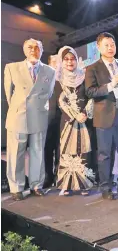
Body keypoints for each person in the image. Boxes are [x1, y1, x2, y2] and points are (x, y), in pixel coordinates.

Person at [85, 32, 118, 200]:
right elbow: (90, 91)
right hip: (104, 116)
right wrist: (109, 86)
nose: (110, 48)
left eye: (112, 44)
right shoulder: (92, 68)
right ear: (99, 47)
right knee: (105, 154)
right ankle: (106, 187)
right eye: (106, 45)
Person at [4, 38, 56, 201]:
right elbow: (8, 93)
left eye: (37, 47)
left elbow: (48, 93)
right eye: (30, 47)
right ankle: (16, 187)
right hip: (18, 115)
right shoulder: (12, 68)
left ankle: (36, 185)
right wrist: (19, 106)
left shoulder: (50, 71)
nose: (33, 50)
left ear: (41, 50)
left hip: (39, 116)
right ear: (24, 50)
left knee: (38, 153)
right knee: (15, 154)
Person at [56, 46, 95, 196]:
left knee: (84, 150)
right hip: (67, 121)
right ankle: (66, 185)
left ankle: (84, 184)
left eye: (72, 59)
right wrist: (74, 115)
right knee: (67, 151)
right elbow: (60, 101)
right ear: (61, 61)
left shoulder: (84, 77)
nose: (69, 62)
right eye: (66, 59)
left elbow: (91, 97)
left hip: (84, 120)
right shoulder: (58, 79)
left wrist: (84, 113)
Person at [43, 55, 62, 188]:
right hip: (47, 120)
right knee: (47, 150)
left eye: (59, 62)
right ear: (49, 64)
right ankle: (48, 177)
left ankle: (59, 176)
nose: (57, 64)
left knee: (61, 150)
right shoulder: (44, 80)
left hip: (63, 120)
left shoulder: (65, 80)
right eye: (54, 62)